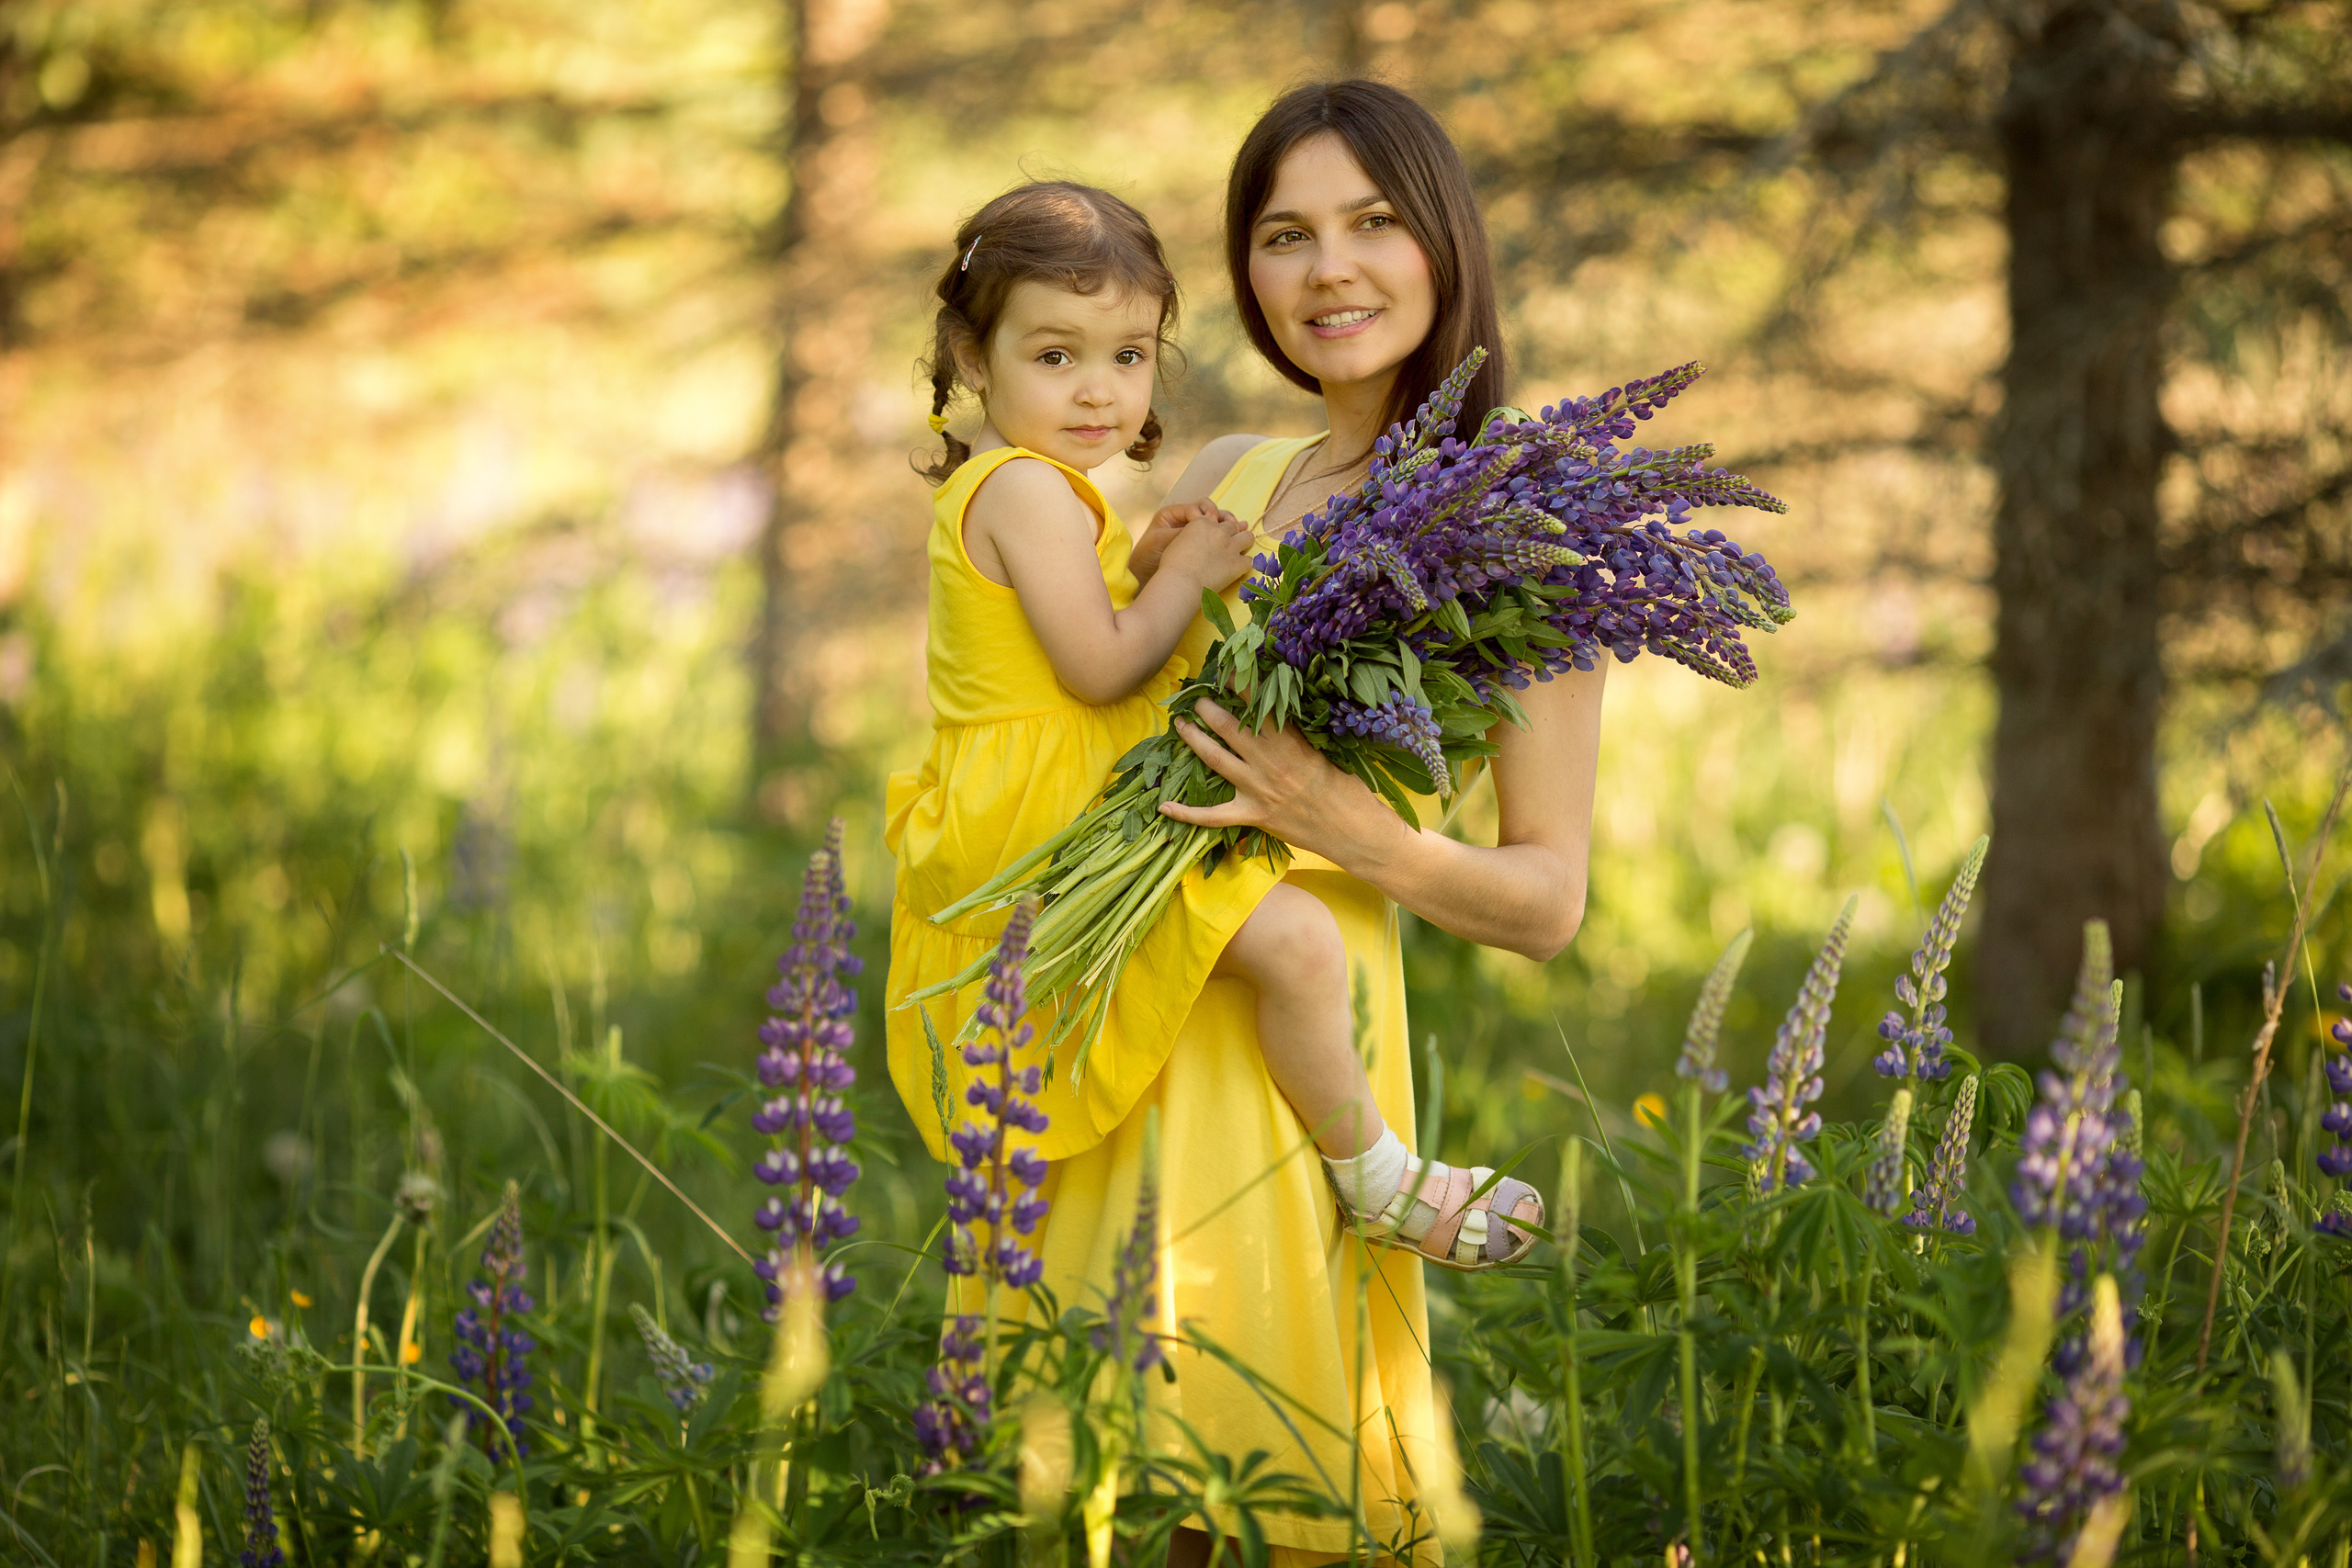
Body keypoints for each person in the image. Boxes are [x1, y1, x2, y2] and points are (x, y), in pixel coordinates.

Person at [1029, 83, 1607, 1566]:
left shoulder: (1530, 526)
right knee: (1104, 1484)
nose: (1327, 270)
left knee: (1265, 1487)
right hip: (1144, 1003)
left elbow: (1548, 901)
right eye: (1284, 235)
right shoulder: (1225, 475)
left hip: (1304, 1068)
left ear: (1443, 243)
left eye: (1370, 224)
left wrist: (1338, 822)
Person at [885, 178, 1542, 1277]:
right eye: (1055, 358)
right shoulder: (1030, 492)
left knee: (1280, 952)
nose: (1098, 392)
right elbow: (1097, 671)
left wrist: (1143, 569)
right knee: (1295, 942)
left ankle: (1354, 1172)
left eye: (1128, 357)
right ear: (968, 352)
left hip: (1044, 804)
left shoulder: (1039, 490)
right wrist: (1182, 577)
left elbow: (1060, 633)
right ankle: (1376, 1173)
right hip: (1045, 812)